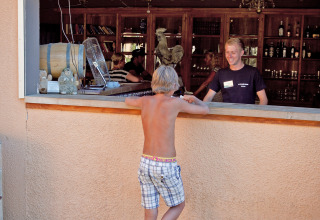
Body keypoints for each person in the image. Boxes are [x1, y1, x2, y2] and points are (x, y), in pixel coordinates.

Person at [125, 65, 209, 220]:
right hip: (165, 164)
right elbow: (205, 110)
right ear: (174, 85)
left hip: (145, 162)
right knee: (178, 205)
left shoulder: (145, 101)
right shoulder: (176, 103)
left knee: (150, 208)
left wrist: (139, 98)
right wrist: (195, 98)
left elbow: (128, 100)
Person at [203, 38, 268, 105]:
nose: (229, 56)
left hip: (247, 114)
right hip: (227, 114)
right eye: (227, 52)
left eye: (233, 52)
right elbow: (208, 97)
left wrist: (256, 114)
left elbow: (263, 99)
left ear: (241, 53)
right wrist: (202, 107)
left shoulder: (253, 72)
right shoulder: (221, 73)